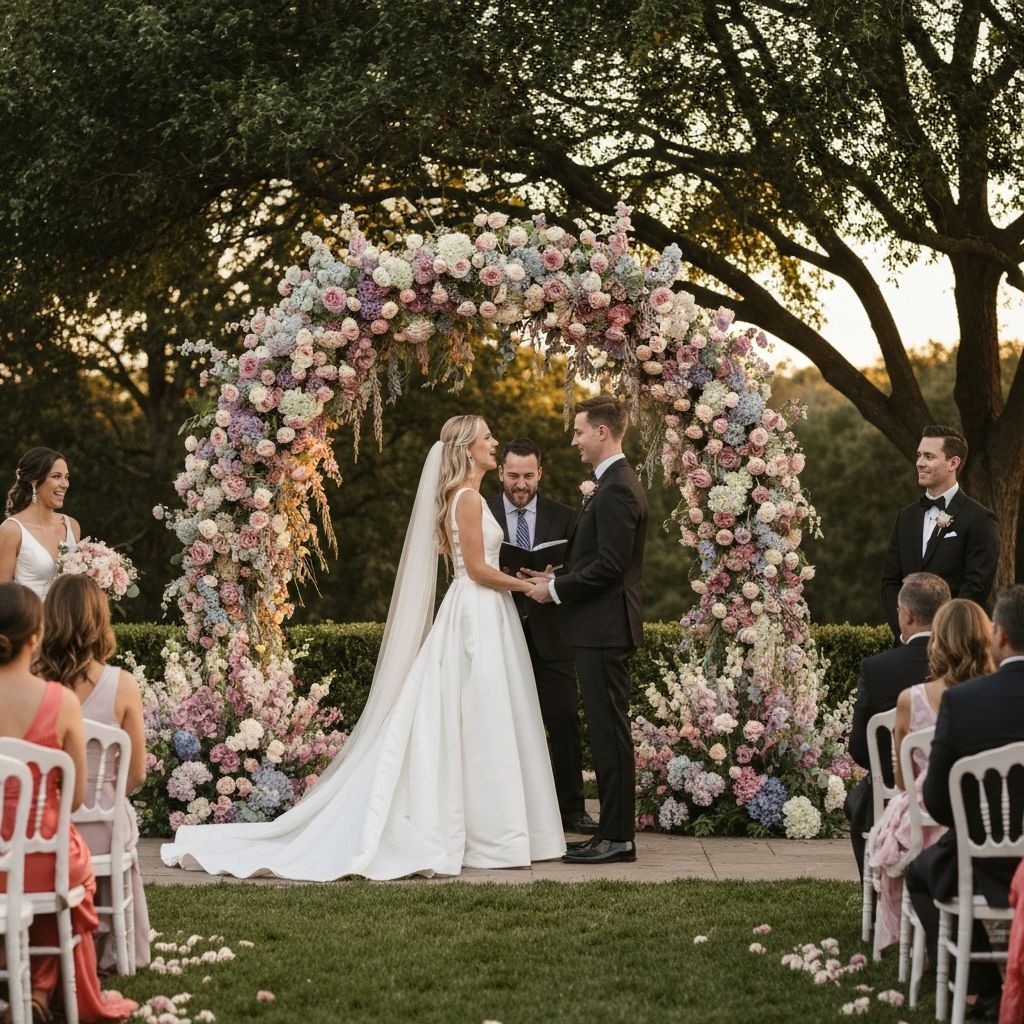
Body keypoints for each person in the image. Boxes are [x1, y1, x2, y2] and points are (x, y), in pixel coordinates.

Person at [161, 415, 565, 880]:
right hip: (479, 610)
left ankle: (494, 830)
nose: (495, 443)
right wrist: (528, 587)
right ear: (468, 447)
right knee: (482, 714)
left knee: (480, 714)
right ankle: (492, 836)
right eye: (488, 438)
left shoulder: (461, 497)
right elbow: (474, 569)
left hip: (481, 610)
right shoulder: (469, 498)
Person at [0, 582, 137, 1023]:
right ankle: (41, 988)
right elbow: (75, 795)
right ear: (35, 636)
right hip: (44, 858)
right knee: (68, 874)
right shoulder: (59, 702)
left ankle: (21, 984)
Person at [523, 396, 648, 865]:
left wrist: (554, 593)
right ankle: (611, 834)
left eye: (578, 432)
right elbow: (597, 560)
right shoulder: (610, 483)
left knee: (610, 734)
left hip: (604, 628)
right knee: (604, 733)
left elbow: (611, 567)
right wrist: (555, 578)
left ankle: (618, 839)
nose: (573, 440)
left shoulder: (615, 488)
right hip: (599, 628)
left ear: (601, 432)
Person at [906, 585, 1024, 1021]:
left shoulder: (962, 701)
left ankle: (984, 989)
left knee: (922, 873)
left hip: (982, 863)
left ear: (1001, 635)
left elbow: (936, 801)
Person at [33, 574, 151, 973]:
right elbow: (136, 775)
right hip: (103, 830)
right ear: (100, 621)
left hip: (45, 828)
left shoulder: (32, 685)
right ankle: (108, 943)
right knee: (122, 817)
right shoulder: (123, 685)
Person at [864, 598, 995, 950]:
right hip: (994, 819)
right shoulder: (995, 699)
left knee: (903, 834)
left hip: (931, 819)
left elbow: (904, 781)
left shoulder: (912, 699)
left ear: (938, 640)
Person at [487, 438, 592, 834]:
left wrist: (554, 579)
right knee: (501, 719)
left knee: (563, 717)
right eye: (513, 475)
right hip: (500, 626)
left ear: (540, 474)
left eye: (528, 476)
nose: (520, 484)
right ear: (500, 473)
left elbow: (581, 570)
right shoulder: (482, 512)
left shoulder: (564, 517)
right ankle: (509, 808)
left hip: (552, 631)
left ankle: (571, 808)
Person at [845, 572, 950, 879]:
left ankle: (875, 886)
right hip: (955, 789)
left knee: (857, 802)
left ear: (907, 614)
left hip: (896, 791)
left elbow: (860, 750)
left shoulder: (878, 669)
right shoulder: (967, 666)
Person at [881, 424, 999, 640]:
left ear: (953, 463)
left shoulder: (980, 519)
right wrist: (904, 633)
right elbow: (890, 582)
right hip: (906, 645)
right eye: (918, 455)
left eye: (929, 456)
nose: (919, 463)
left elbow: (976, 587)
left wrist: (940, 635)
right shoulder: (905, 517)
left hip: (956, 646)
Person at [0, 447, 80, 600]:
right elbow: (3, 597)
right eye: (57, 476)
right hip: (28, 621)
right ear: (34, 481)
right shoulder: (11, 530)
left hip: (69, 623)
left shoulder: (72, 526)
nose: (65, 484)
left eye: (67, 477)